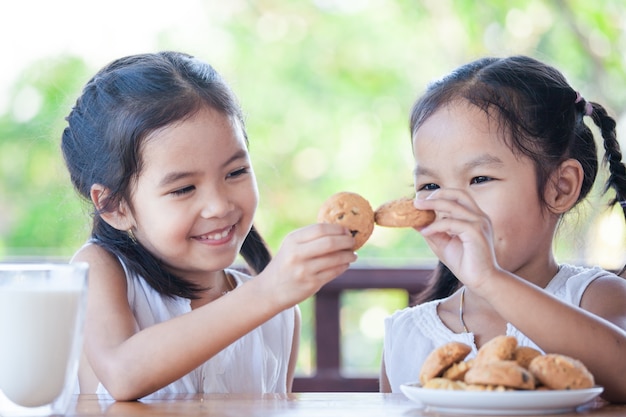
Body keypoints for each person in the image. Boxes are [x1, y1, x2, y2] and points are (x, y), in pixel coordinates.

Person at [61, 51, 357, 401]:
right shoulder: (98, 270)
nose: (219, 205)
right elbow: (122, 374)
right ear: (114, 205)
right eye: (184, 189)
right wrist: (268, 291)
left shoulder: (280, 317)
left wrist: (273, 297)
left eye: (236, 172)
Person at [380, 55, 626, 402]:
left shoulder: (597, 298)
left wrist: (490, 279)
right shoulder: (407, 335)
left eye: (479, 179)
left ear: (561, 187)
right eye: (430, 187)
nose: (452, 205)